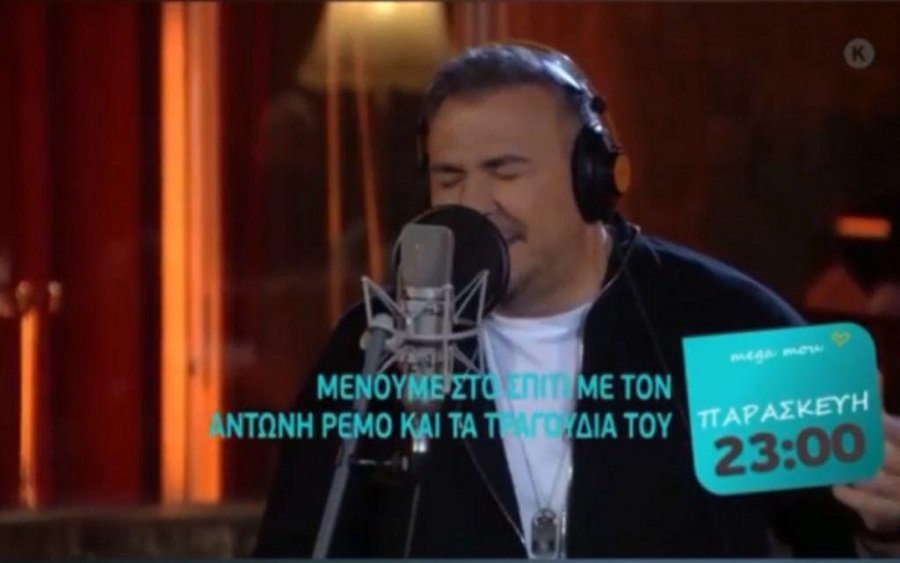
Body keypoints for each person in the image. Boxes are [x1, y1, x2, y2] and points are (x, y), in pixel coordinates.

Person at [253, 42, 900, 558]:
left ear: (595, 178)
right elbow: (300, 545)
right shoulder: (375, 347)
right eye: (450, 177)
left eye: (505, 171)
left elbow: (839, 536)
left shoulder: (729, 326)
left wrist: (885, 528)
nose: (473, 203)